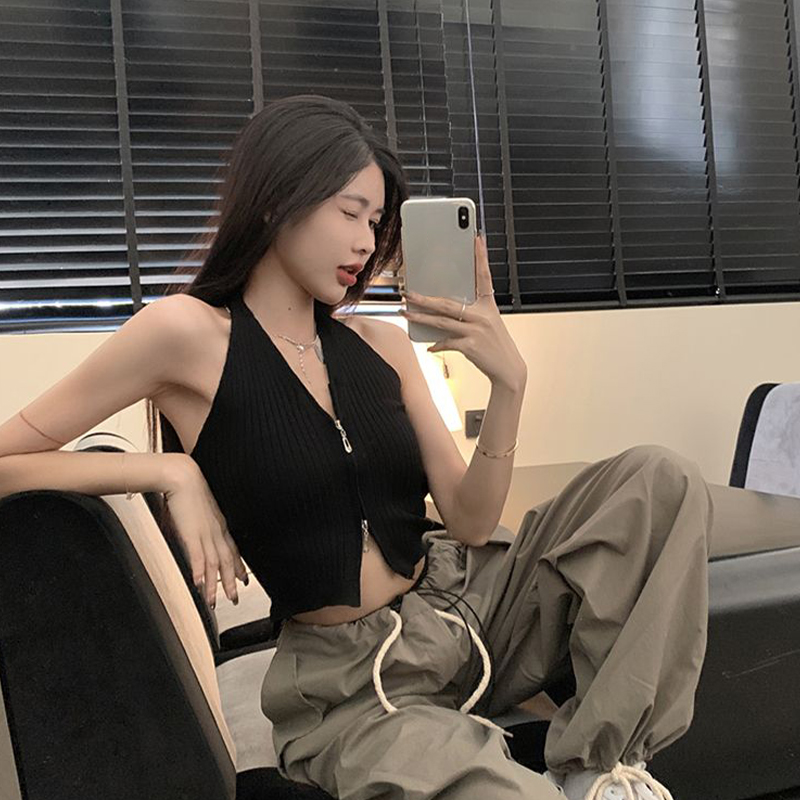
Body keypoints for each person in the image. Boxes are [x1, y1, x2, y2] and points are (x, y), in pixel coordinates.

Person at [0, 94, 714, 800]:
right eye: (350, 213)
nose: (367, 243)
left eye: (375, 222)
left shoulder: (385, 345)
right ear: (276, 201)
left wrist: (509, 385)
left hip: (468, 608)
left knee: (659, 480)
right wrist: (172, 470)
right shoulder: (185, 334)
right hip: (353, 688)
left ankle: (597, 767)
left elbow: (469, 521)